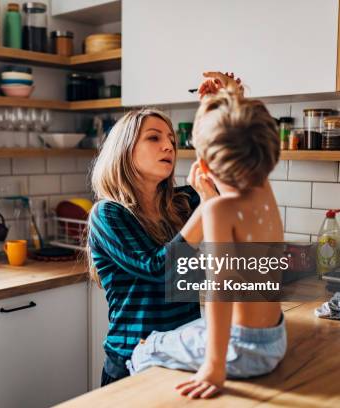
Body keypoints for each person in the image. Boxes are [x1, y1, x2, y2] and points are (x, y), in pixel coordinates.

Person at [128, 74, 286, 399]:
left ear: (202, 163)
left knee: (144, 350)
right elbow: (242, 132)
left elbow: (219, 291)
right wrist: (230, 96)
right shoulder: (264, 193)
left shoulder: (218, 210)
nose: (169, 145)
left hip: (241, 350)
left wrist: (214, 367)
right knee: (183, 334)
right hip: (275, 339)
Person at [87, 107, 217, 386]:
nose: (168, 145)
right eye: (154, 138)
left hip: (183, 358)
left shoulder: (183, 202)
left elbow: (232, 173)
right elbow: (157, 268)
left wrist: (227, 103)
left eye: (171, 139)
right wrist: (208, 207)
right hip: (132, 365)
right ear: (125, 149)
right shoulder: (108, 214)